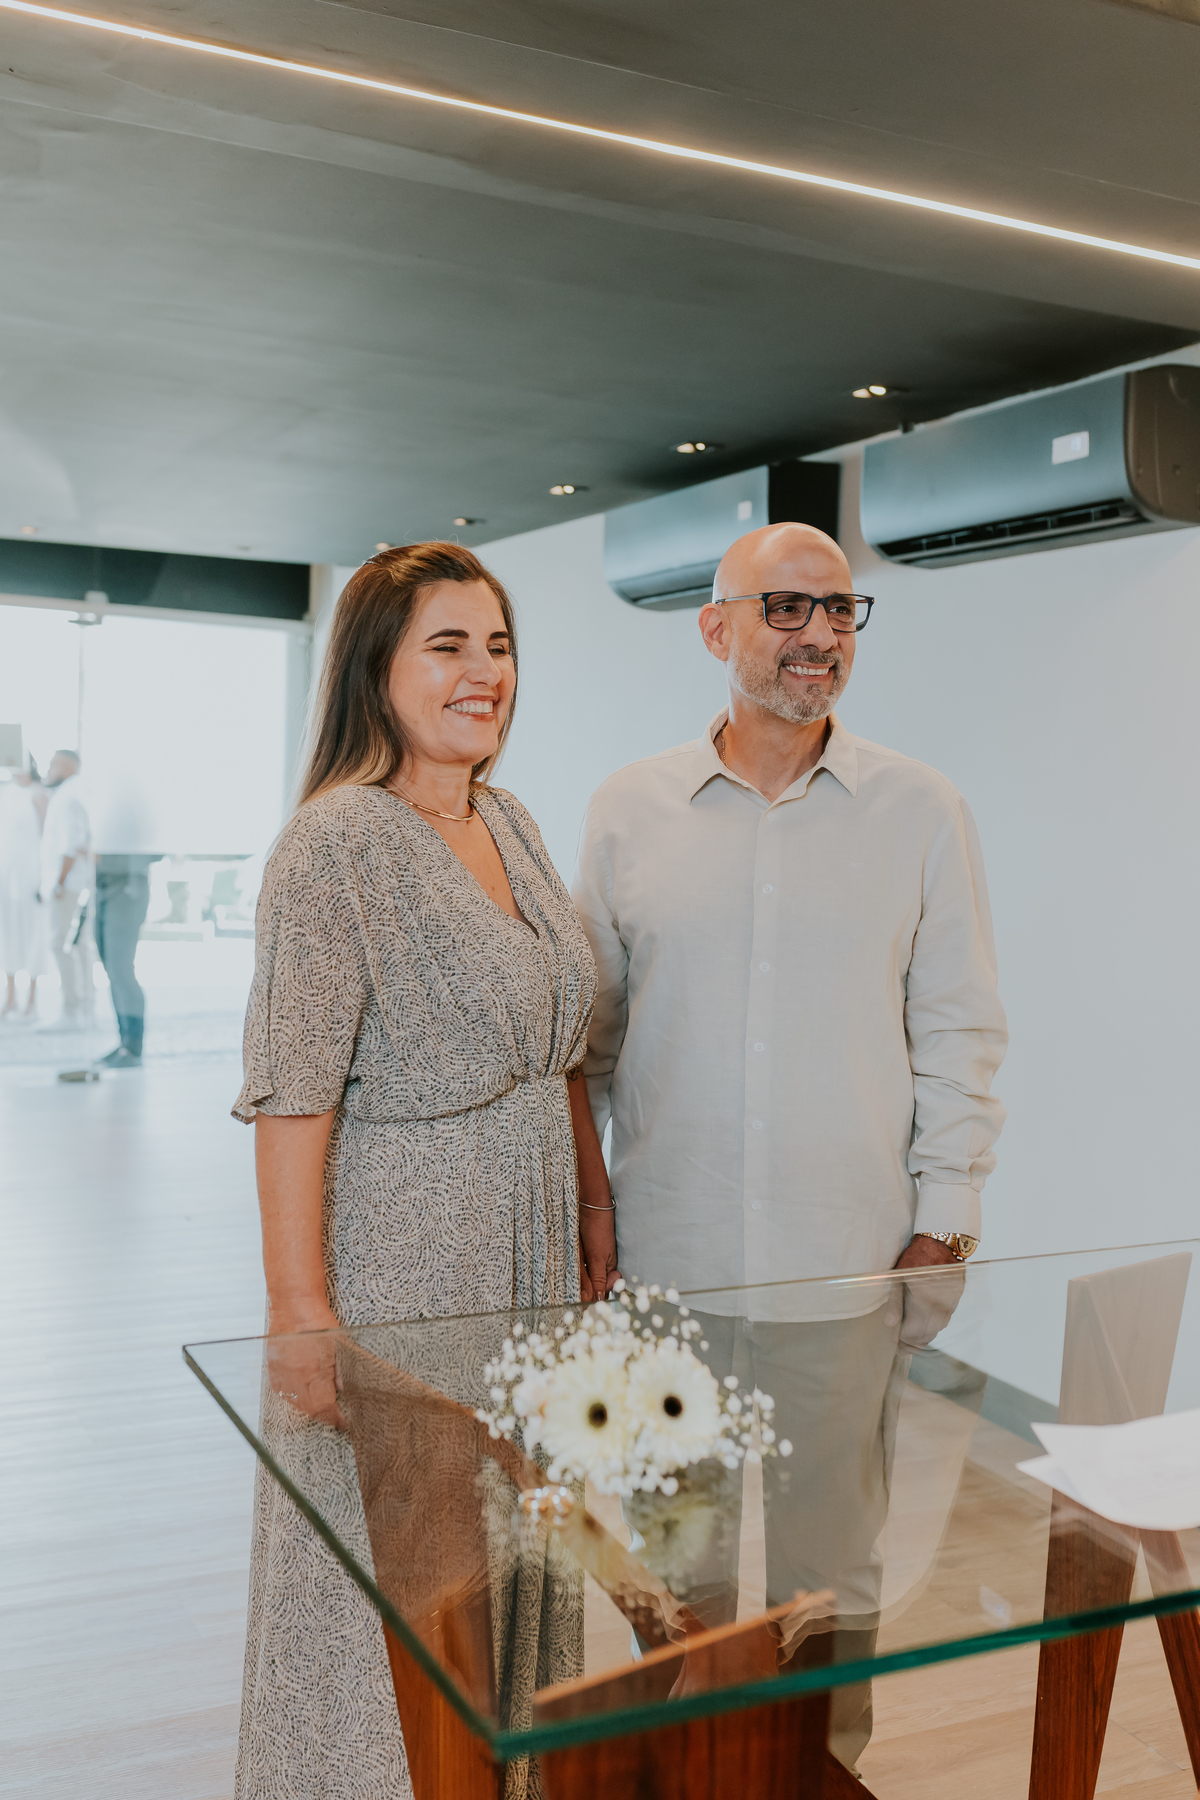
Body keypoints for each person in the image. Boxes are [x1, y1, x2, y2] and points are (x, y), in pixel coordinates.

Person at [571, 522, 1007, 1767]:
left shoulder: (922, 810)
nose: (819, 636)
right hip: (670, 1263)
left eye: (839, 611)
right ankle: (697, 1770)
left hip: (845, 1262)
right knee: (679, 1561)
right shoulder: (626, 809)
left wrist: (949, 1217)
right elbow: (589, 1045)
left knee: (834, 1571)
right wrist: (588, 1217)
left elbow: (961, 1028)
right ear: (719, 630)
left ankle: (826, 1771)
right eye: (786, 610)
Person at [231, 542, 612, 1800]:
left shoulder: (510, 818)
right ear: (373, 669)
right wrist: (299, 1315)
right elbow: (292, 1096)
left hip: (534, 1244)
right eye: (447, 646)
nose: (482, 673)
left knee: (510, 1560)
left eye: (497, 645)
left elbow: (564, 1050)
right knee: (395, 1571)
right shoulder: (334, 845)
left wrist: (594, 1206)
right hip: (405, 1253)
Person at [41, 749, 93, 1026]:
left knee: (61, 944)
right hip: (68, 881)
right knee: (75, 945)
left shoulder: (68, 798)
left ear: (67, 766)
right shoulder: (68, 795)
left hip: (67, 883)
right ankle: (80, 1005)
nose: (49, 770)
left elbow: (71, 847)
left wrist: (59, 882)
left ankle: (71, 1008)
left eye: (53, 765)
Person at [93, 854, 159, 1066]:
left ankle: (132, 1048)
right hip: (102, 884)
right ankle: (124, 1042)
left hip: (127, 886)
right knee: (111, 968)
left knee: (120, 968)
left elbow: (157, 848)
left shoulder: (134, 822)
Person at [0, 759, 48, 1019]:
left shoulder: (39, 794)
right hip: (6, 875)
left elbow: (46, 835)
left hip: (31, 873)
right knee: (7, 935)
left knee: (32, 934)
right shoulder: (5, 792)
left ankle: (30, 1001)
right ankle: (9, 999)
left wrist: (45, 878)